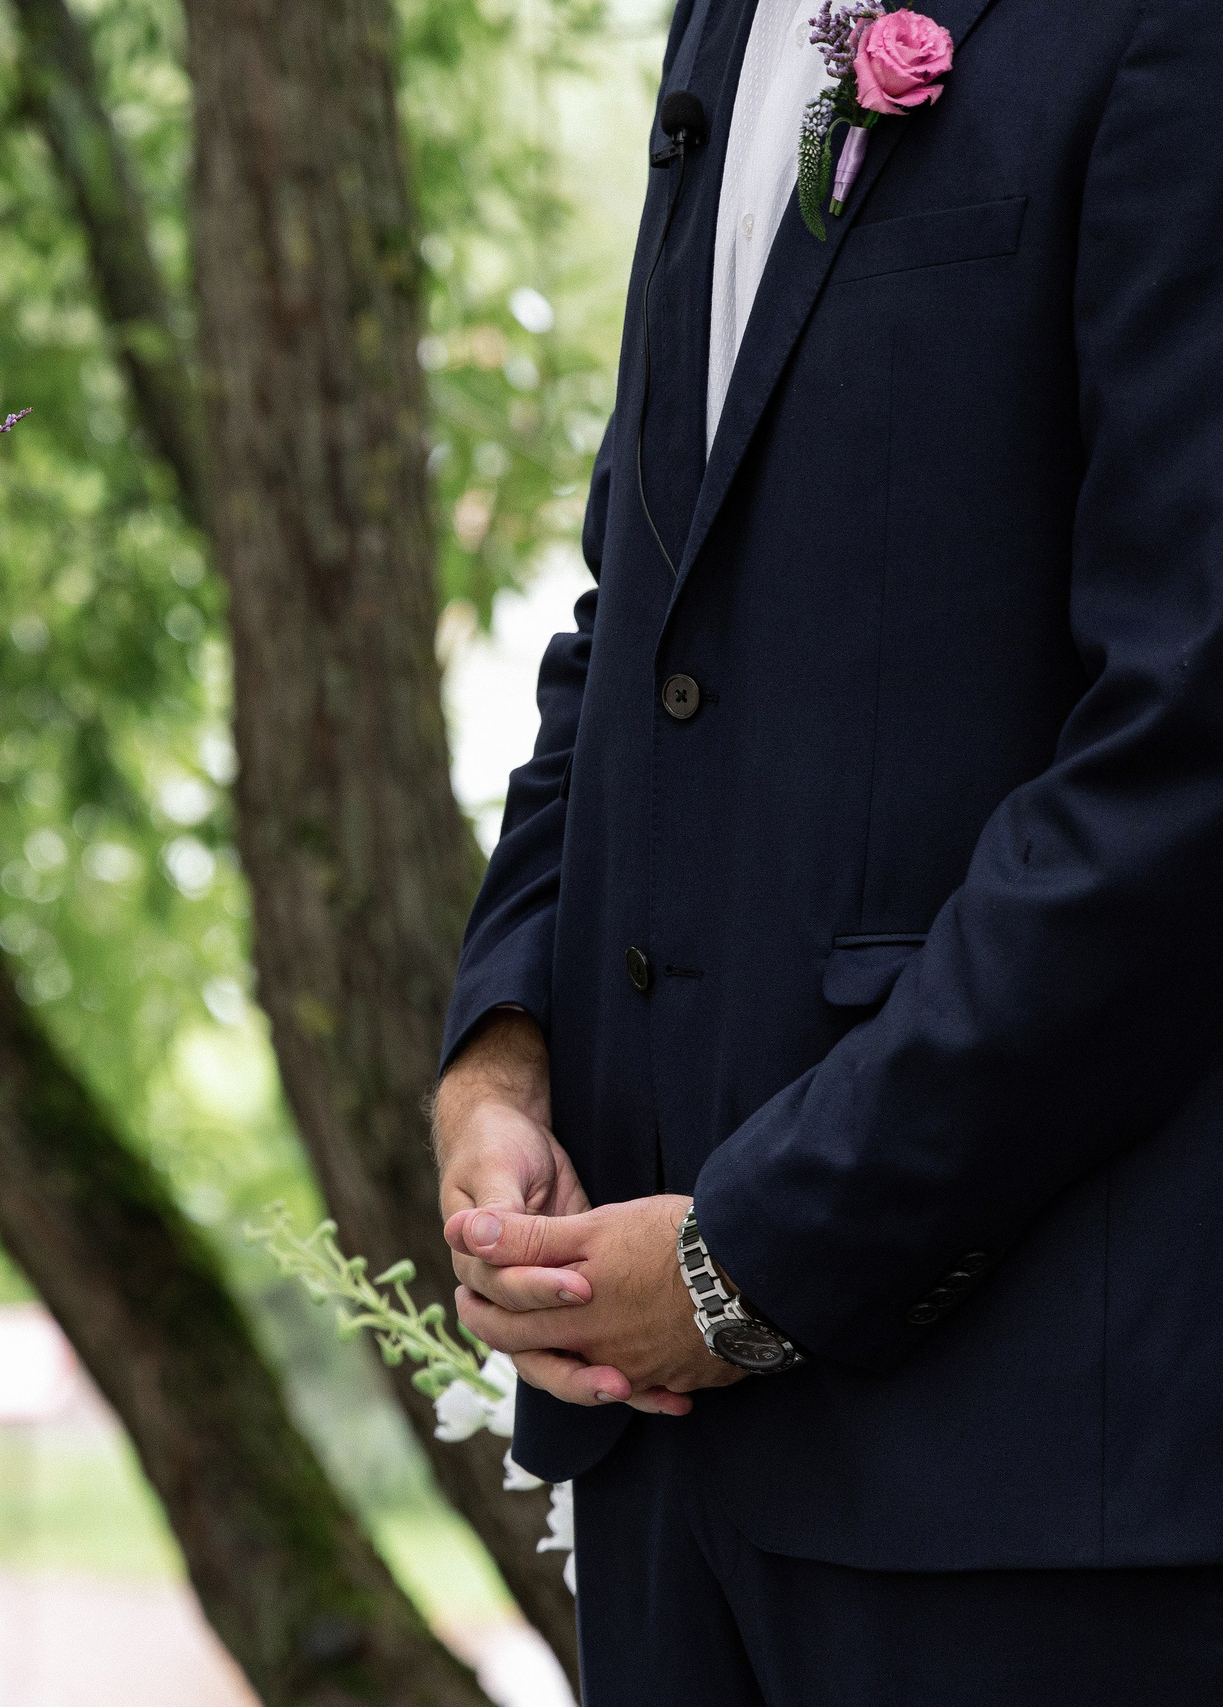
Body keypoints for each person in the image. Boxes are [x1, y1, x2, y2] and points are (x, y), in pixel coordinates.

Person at [431, 0, 1223, 1697]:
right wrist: (503, 1054)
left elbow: (1184, 762)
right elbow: (637, 622)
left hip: (1017, 1490)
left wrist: (748, 1265)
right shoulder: (720, 27)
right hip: (664, 1496)